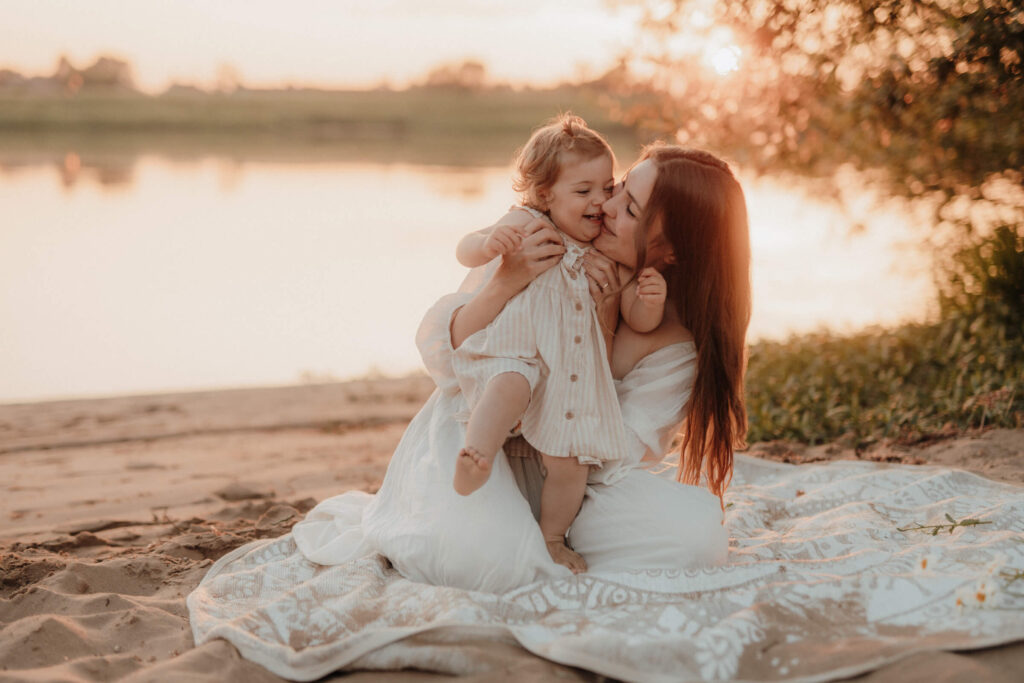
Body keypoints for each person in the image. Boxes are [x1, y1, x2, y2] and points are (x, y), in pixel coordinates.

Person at [448, 114, 668, 573]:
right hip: (520, 352)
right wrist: (491, 242)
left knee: (569, 464)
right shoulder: (526, 222)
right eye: (583, 191)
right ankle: (478, 454)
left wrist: (650, 300)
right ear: (545, 195)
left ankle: (552, 538)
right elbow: (464, 248)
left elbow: (638, 320)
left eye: (607, 188)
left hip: (569, 377)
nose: (600, 202)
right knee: (508, 384)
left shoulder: (607, 255)